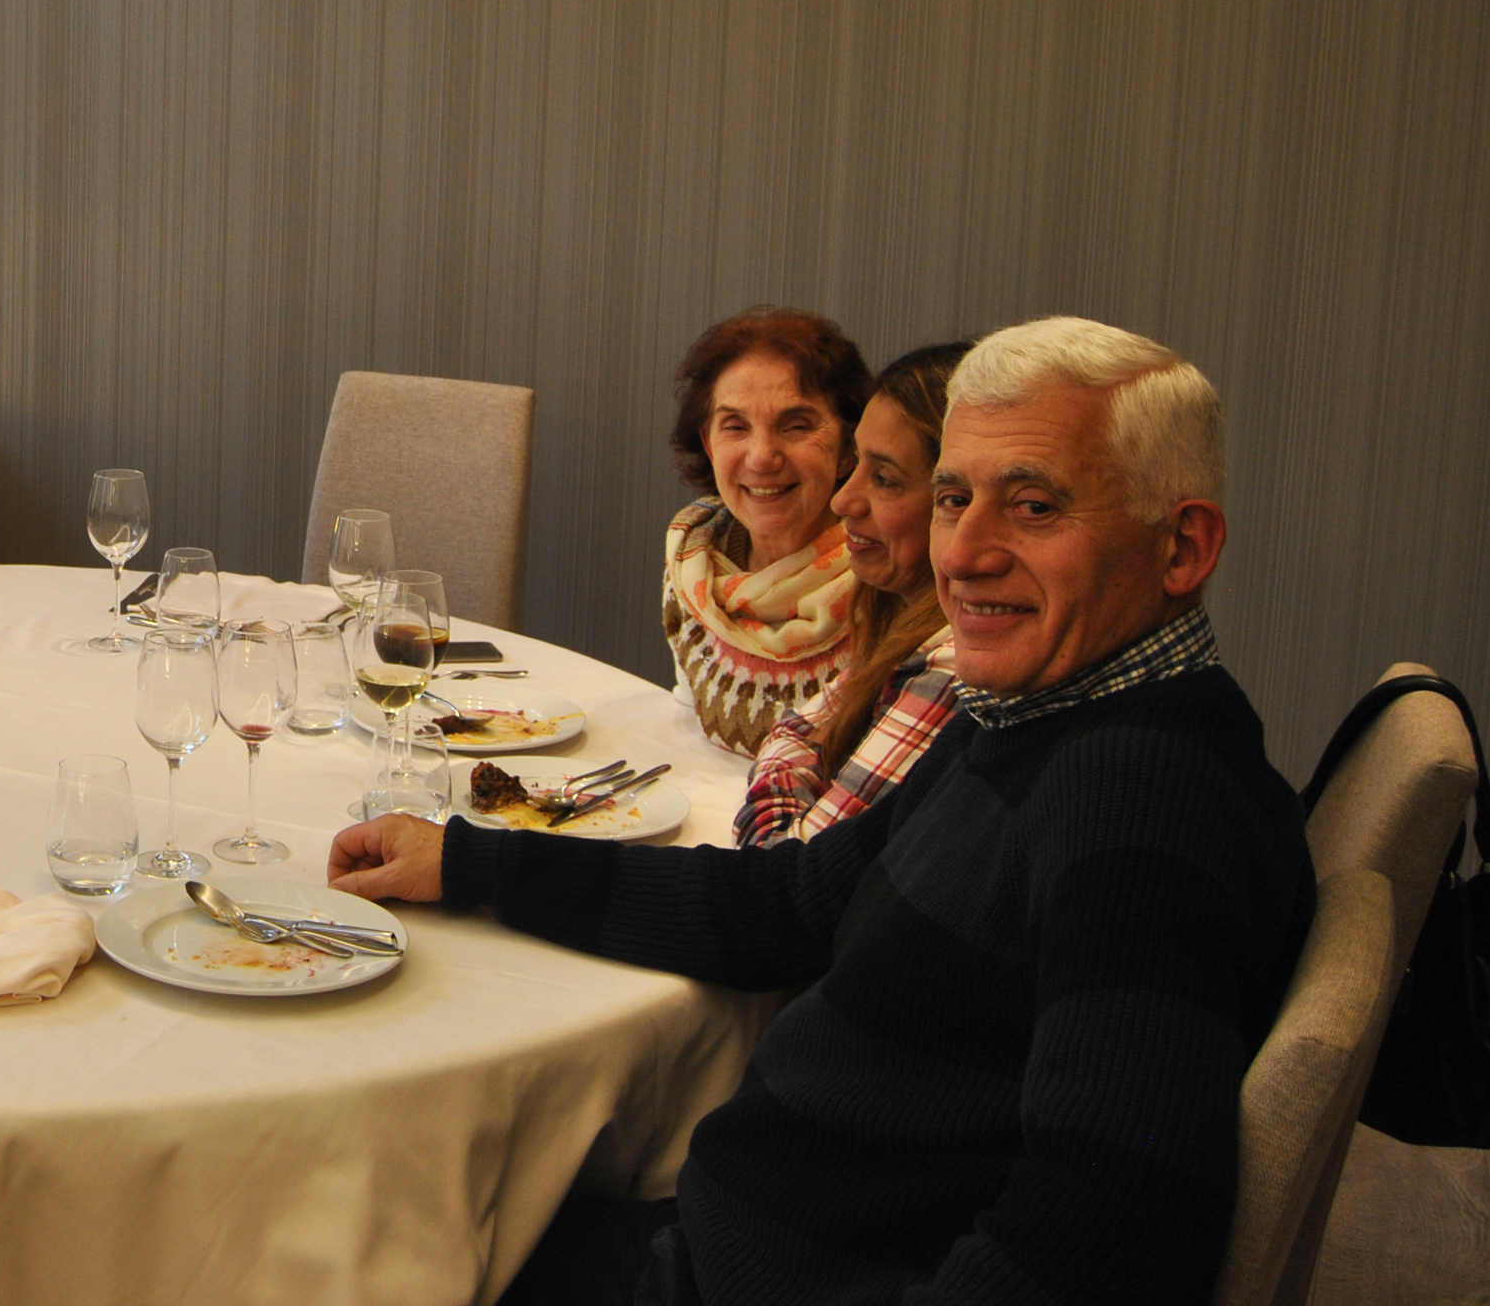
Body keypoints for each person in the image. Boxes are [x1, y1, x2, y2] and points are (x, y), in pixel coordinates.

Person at [332, 316, 1315, 1306]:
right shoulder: (1034, 718)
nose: (963, 555)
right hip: (732, 1236)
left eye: (1033, 507)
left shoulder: (1142, 800)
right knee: (381, 1217)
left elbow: (1108, 1238)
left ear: (1182, 547)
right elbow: (792, 901)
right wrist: (470, 863)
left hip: (759, 1276)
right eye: (953, 499)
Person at [732, 341, 971, 846]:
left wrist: (788, 775)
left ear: (957, 502)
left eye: (884, 479)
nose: (843, 500)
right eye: (856, 463)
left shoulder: (953, 661)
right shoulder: (893, 607)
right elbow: (793, 732)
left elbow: (785, 861)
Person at [660, 309, 873, 756]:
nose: (761, 457)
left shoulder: (885, 583)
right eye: (735, 427)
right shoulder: (692, 558)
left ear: (848, 448)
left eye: (796, 426)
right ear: (708, 443)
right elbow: (687, 724)